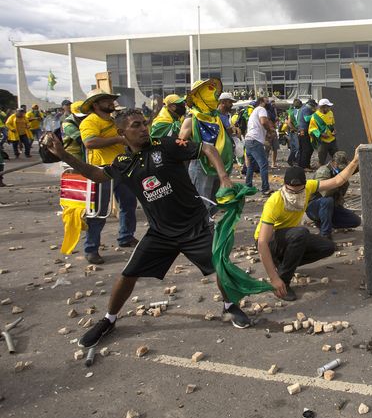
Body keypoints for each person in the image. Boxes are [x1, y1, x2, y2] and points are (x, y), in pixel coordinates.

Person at [43, 109, 256, 348]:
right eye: (136, 125)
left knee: (220, 266)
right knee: (127, 274)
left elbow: (207, 148)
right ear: (122, 132)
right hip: (161, 233)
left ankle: (229, 305)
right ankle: (109, 319)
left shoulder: (166, 145)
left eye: (144, 123)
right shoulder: (123, 163)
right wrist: (62, 153)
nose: (144, 128)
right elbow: (95, 174)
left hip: (194, 226)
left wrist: (224, 177)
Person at [255, 155, 360, 301]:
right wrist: (273, 278)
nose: (296, 195)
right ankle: (283, 282)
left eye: (299, 191)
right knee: (301, 233)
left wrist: (355, 161)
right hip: (270, 242)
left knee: (327, 246)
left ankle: (284, 264)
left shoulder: (309, 187)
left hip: (289, 237)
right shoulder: (274, 202)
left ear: (305, 185)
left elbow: (337, 181)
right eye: (292, 191)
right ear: (284, 186)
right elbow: (261, 242)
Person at [79, 89, 138, 264]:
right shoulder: (90, 121)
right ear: (96, 105)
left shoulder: (113, 121)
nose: (111, 103)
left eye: (111, 99)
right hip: (100, 170)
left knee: (129, 203)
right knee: (99, 211)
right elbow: (90, 142)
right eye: (106, 100)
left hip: (121, 167)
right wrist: (118, 140)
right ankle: (91, 248)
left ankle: (126, 237)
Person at [179, 79, 235, 216]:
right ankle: (201, 230)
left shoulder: (216, 118)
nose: (214, 95)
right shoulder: (191, 119)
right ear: (200, 96)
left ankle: (207, 224)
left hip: (218, 164)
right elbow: (180, 144)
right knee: (201, 201)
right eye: (209, 92)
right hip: (200, 164)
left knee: (215, 200)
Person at [306, 151, 361, 240]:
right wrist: (339, 181)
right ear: (334, 163)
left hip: (332, 207)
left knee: (355, 221)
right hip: (315, 206)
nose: (342, 170)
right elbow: (325, 193)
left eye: (344, 168)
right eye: (340, 167)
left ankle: (325, 222)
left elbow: (356, 167)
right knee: (328, 201)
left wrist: (356, 160)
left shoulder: (341, 169)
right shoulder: (323, 171)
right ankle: (325, 235)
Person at [244, 95, 275, 195]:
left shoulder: (254, 111)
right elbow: (263, 121)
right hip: (255, 140)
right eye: (267, 101)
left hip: (248, 140)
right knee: (263, 164)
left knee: (251, 166)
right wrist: (270, 130)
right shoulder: (261, 109)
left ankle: (248, 186)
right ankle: (265, 189)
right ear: (262, 101)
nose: (268, 103)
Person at [309, 98, 337, 166]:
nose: (329, 108)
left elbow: (332, 124)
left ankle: (337, 172)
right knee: (321, 159)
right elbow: (312, 129)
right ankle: (321, 173)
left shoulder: (330, 113)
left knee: (337, 157)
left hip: (332, 140)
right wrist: (321, 134)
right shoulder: (315, 117)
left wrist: (334, 130)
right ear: (323, 107)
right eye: (328, 107)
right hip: (322, 142)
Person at [297, 99, 315, 169]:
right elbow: (307, 119)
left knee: (303, 149)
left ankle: (302, 165)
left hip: (302, 130)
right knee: (307, 149)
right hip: (304, 130)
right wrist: (315, 114)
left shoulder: (303, 108)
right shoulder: (306, 109)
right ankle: (305, 166)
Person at [285, 99, 302, 167]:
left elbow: (287, 122)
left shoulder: (291, 111)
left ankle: (291, 160)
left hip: (292, 132)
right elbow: (288, 122)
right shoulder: (296, 111)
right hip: (295, 132)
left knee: (294, 148)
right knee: (297, 148)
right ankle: (293, 161)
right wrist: (295, 129)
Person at [265, 97, 280, 168]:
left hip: (273, 130)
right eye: (271, 102)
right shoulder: (266, 111)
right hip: (269, 131)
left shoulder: (274, 111)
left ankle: (273, 163)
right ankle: (265, 163)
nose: (273, 104)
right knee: (267, 148)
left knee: (275, 147)